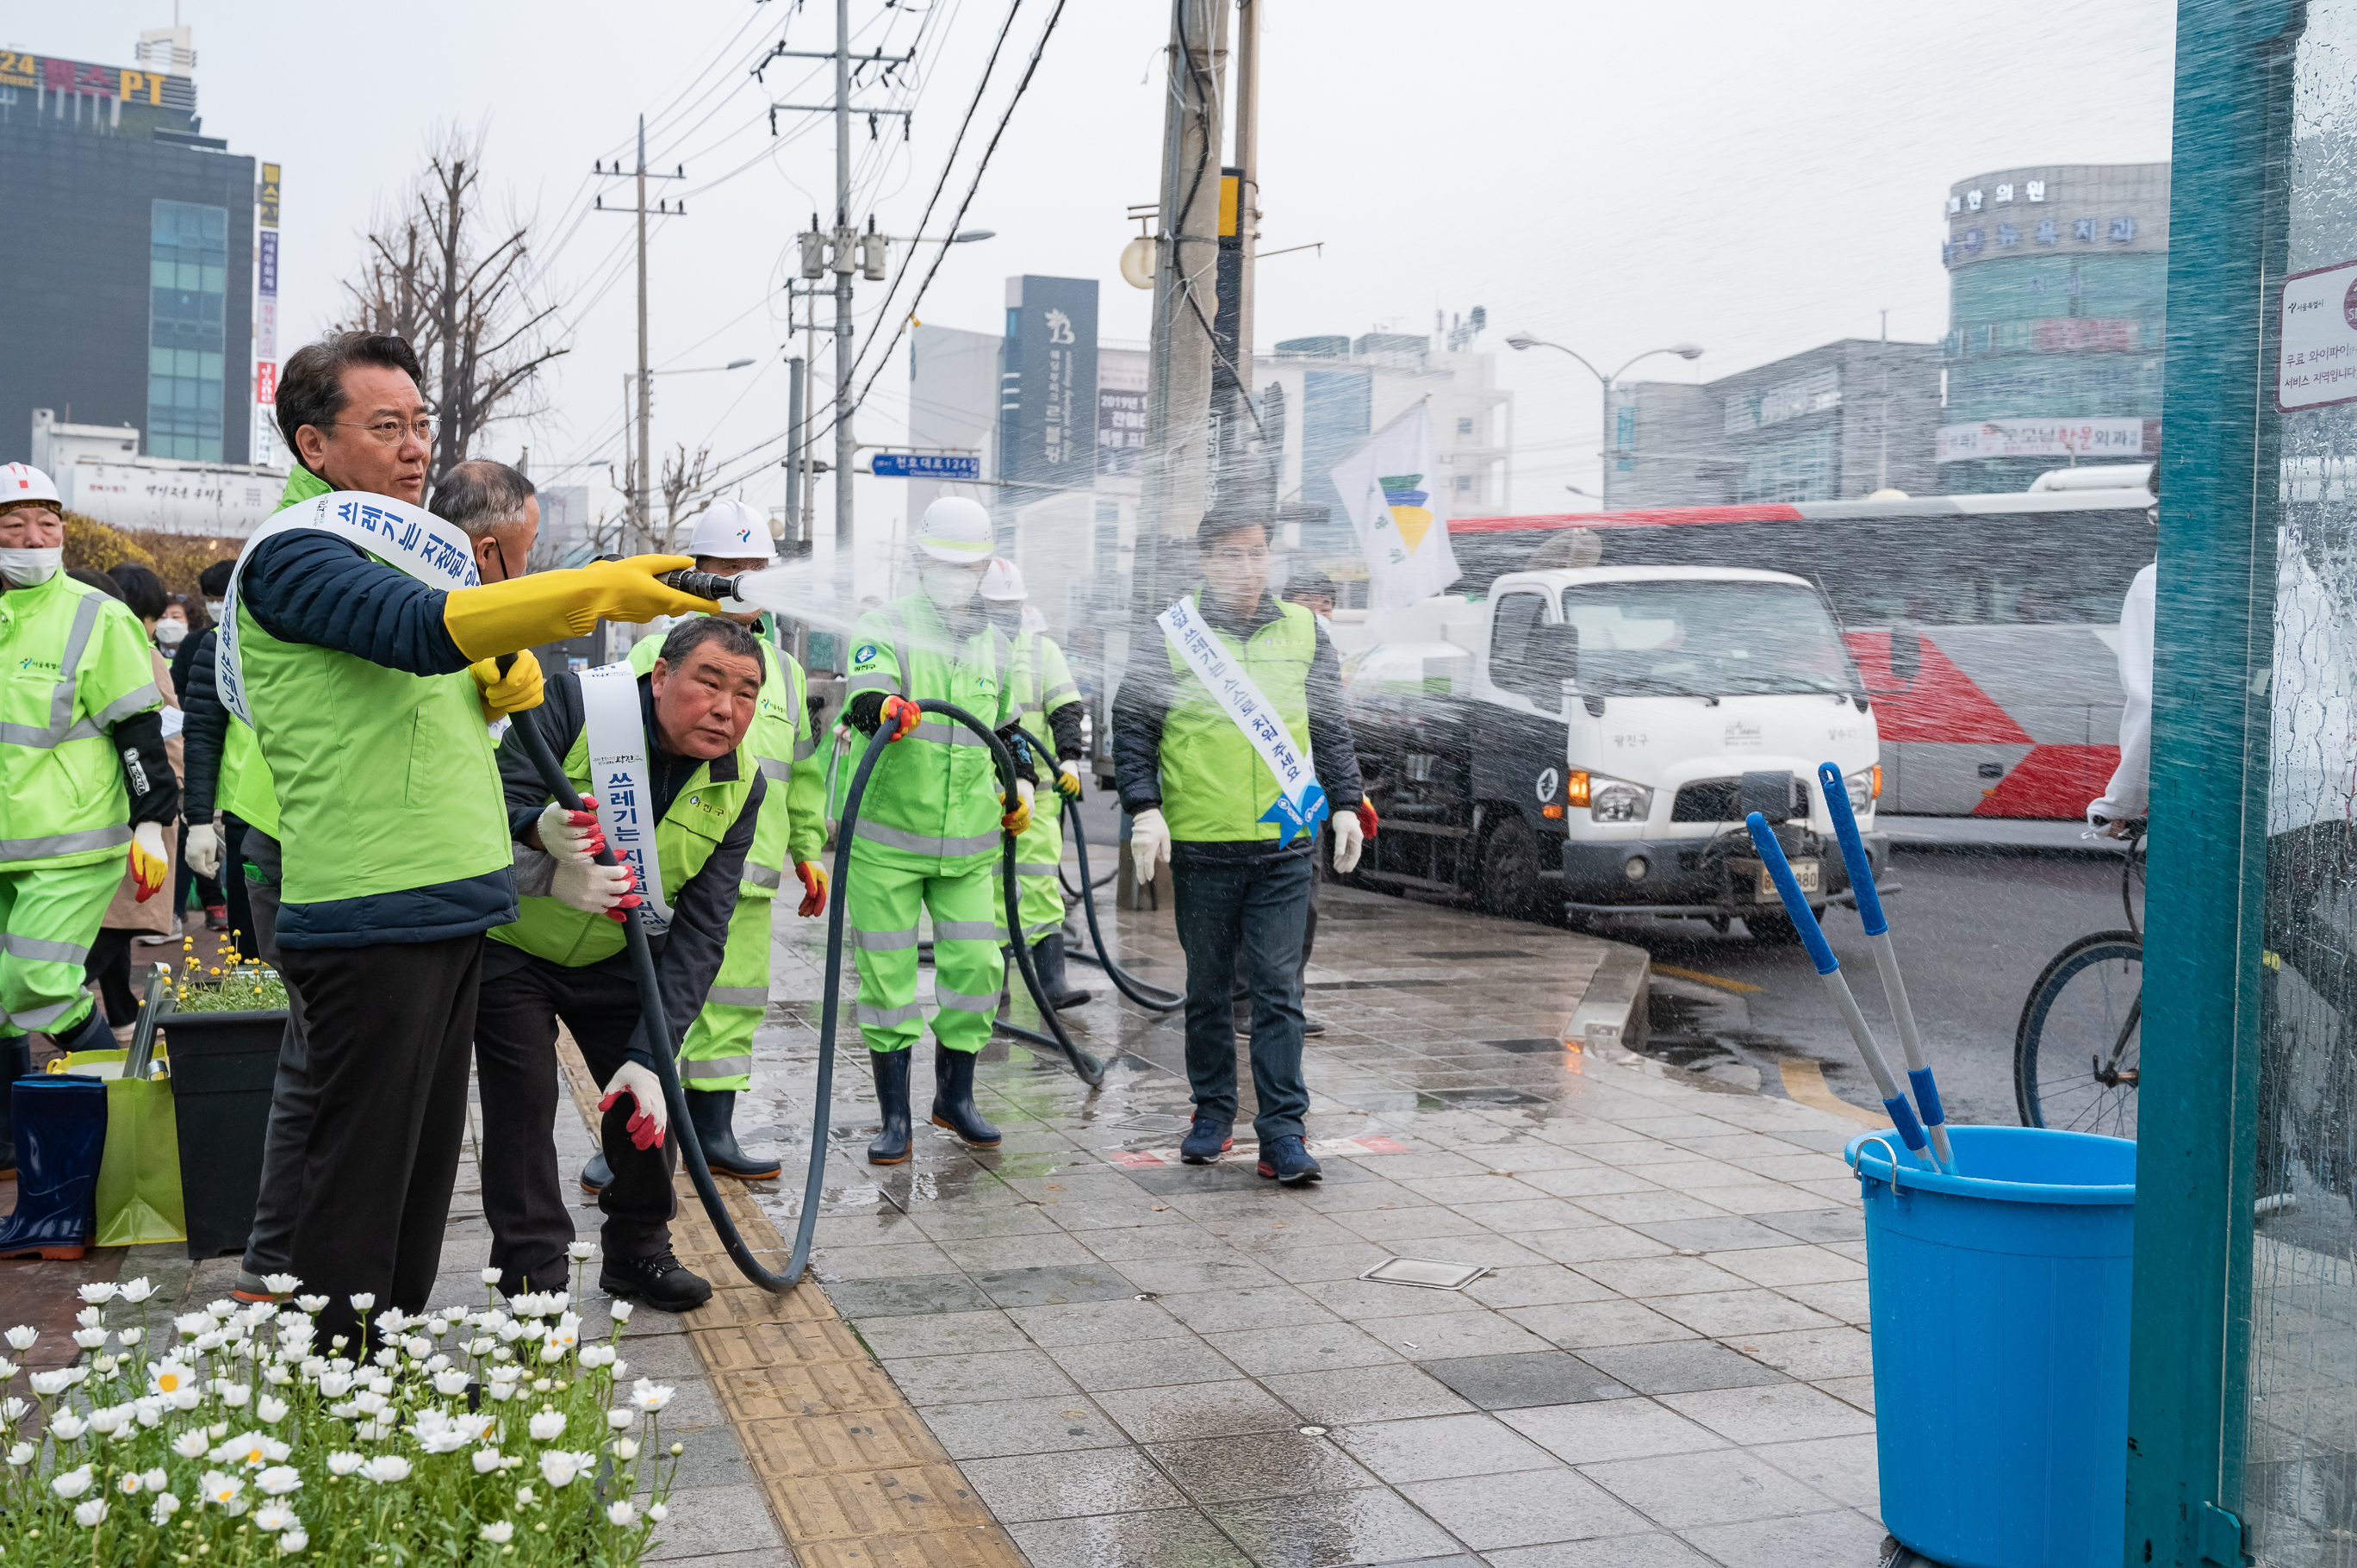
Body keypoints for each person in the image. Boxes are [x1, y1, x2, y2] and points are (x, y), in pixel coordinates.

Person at [222, 332, 712, 1345]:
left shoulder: (399, 554)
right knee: (360, 1177)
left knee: (417, 1172)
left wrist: (495, 693)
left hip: (450, 906)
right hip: (370, 909)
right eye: (385, 426)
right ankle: (342, 1378)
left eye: (420, 424)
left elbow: (429, 715)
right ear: (314, 445)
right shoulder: (295, 557)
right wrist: (591, 592)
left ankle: (390, 1358)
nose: (416, 448)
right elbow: (415, 629)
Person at [477, 616, 770, 1308]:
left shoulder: (740, 786)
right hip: (514, 948)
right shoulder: (576, 704)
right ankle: (533, 1281)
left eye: (746, 693)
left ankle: (638, 1251)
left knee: (647, 1106)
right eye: (709, 683)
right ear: (660, 676)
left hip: (621, 955)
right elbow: (489, 804)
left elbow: (703, 931)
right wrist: (536, 832)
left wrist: (649, 1054)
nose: (726, 709)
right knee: (523, 1111)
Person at [577, 498, 828, 1193]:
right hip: (666, 867)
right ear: (698, 572)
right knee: (650, 1005)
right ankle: (626, 1144)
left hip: (750, 869)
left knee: (736, 1003)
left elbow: (802, 771)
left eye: (757, 567)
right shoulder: (654, 655)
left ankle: (713, 1132)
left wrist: (808, 848)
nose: (746, 580)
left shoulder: (785, 671)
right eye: (730, 566)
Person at [1113, 507, 1367, 1185]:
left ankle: (1283, 1131)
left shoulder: (1305, 630)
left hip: (1285, 841)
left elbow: (1329, 725)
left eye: (1256, 553)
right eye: (1231, 555)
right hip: (1203, 843)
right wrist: (1144, 808)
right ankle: (1212, 1113)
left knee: (1279, 990)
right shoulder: (1171, 635)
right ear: (1204, 561)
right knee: (1208, 989)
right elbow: (1133, 726)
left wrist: (1346, 802)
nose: (1247, 567)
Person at [840, 496, 1039, 1164]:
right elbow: (864, 696)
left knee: (978, 967)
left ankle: (955, 1097)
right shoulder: (886, 625)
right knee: (888, 978)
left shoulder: (996, 645)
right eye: (944, 563)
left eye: (969, 565)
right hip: (888, 846)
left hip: (970, 847)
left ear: (985, 568)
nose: (957, 575)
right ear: (920, 562)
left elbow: (1008, 731)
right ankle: (895, 1116)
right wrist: (883, 708)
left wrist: (1023, 784)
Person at [0, 464, 175, 1194]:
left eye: (46, 524)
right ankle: (12, 1146)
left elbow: (137, 728)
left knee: (39, 983)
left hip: (71, 843)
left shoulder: (93, 616)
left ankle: (128, 1135)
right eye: (14, 526)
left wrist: (152, 821)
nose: (32, 539)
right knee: (4, 1000)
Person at [976, 558, 1091, 1009]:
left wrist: (1070, 758)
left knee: (1040, 881)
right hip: (981, 793)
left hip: (1038, 794)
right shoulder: (968, 650)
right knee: (987, 886)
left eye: (1011, 606)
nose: (1005, 614)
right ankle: (994, 980)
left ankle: (1051, 981)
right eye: (996, 606)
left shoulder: (1043, 652)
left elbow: (1065, 708)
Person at [80, 565, 185, 1033]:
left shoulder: (130, 651)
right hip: (126, 805)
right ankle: (99, 1009)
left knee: (117, 916)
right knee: (118, 917)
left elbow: (165, 729)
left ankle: (115, 1013)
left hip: (128, 803)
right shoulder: (130, 650)